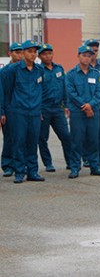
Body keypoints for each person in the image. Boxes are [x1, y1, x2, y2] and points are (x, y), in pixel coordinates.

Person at [3, 40, 45, 184]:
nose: (33, 54)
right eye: (29, 51)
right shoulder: (12, 70)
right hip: (18, 112)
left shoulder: (39, 70)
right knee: (19, 142)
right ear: (23, 52)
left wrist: (38, 108)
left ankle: (32, 171)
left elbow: (41, 90)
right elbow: (7, 91)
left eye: (35, 52)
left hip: (34, 112)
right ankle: (19, 172)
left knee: (32, 142)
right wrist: (8, 110)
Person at [66, 45, 100, 179]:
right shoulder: (71, 74)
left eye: (89, 55)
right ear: (78, 56)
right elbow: (71, 93)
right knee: (76, 141)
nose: (86, 58)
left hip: (93, 112)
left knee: (93, 140)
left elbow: (99, 92)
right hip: (77, 113)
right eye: (84, 55)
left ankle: (95, 166)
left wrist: (91, 105)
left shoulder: (96, 74)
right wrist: (85, 106)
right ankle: (74, 168)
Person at [38, 43, 72, 172]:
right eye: (45, 54)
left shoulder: (59, 68)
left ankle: (70, 161)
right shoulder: (38, 70)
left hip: (57, 109)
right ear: (40, 56)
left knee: (66, 136)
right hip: (43, 109)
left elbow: (64, 88)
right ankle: (48, 163)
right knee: (42, 138)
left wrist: (67, 105)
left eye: (50, 53)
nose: (48, 56)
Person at [84, 39, 100, 167]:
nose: (94, 53)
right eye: (91, 51)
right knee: (87, 132)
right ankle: (87, 157)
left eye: (95, 51)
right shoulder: (82, 68)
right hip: (86, 104)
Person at [1, 42, 23, 177]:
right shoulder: (4, 71)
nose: (19, 55)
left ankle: (20, 164)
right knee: (9, 138)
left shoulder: (25, 70)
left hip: (22, 110)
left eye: (21, 52)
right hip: (9, 109)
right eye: (16, 52)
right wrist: (2, 112)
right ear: (10, 53)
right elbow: (1, 93)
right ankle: (8, 165)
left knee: (21, 138)